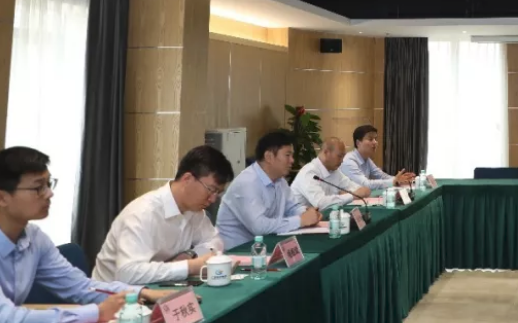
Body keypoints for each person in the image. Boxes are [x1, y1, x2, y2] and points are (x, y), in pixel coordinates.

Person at [0, 147, 173, 323]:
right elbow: (7, 317)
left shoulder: (35, 239)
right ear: (2, 198)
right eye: (38, 188)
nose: (49, 194)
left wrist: (141, 293)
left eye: (49, 184)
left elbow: (80, 287)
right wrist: (96, 313)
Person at [93, 146, 233, 285]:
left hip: (157, 287)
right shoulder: (143, 213)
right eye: (211, 190)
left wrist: (191, 255)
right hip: (113, 294)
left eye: (218, 193)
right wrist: (189, 266)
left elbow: (215, 242)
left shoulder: (194, 211)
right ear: (187, 179)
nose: (213, 199)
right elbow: (127, 274)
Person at [217, 131, 323, 249]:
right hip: (237, 250)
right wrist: (300, 221)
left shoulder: (280, 180)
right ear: (269, 157)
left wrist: (307, 213)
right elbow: (259, 227)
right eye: (287, 155)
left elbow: (291, 207)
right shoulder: (247, 183)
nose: (292, 160)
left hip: (262, 246)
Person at [291, 137, 372, 210]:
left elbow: (358, 189)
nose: (342, 161)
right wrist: (352, 196)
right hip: (298, 220)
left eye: (343, 157)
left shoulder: (334, 171)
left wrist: (358, 192)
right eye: (339, 156)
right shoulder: (309, 173)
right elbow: (320, 204)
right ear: (326, 152)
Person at [339, 125, 414, 190]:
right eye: (370, 139)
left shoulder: (366, 159)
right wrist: (393, 181)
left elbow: (381, 175)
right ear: (358, 143)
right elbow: (365, 184)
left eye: (375, 139)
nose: (375, 142)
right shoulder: (349, 161)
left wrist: (400, 179)